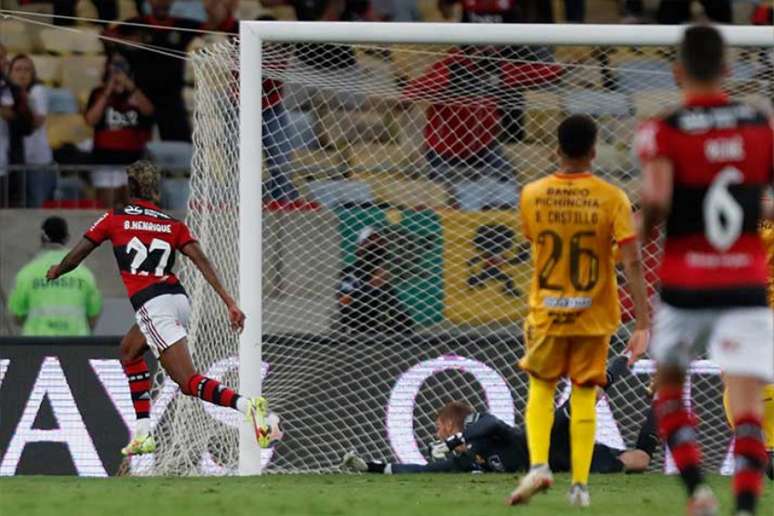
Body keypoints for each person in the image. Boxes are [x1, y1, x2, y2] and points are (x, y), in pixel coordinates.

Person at [46, 161, 280, 456]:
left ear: (129, 188)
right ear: (156, 191)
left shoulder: (114, 218)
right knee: (130, 349)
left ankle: (248, 407)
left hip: (152, 304)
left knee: (187, 381)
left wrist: (58, 270)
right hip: (177, 299)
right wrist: (228, 301)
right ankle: (143, 433)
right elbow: (201, 260)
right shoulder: (171, 224)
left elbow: (78, 254)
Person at [636, 25, 773, 516]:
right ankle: (745, 508)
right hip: (744, 283)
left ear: (677, 72)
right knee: (748, 408)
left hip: (684, 283)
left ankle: (697, 490)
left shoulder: (662, 128)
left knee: (669, 389)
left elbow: (657, 198)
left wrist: (648, 227)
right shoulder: (759, 125)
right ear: (727, 71)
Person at [507, 114, 651, 508]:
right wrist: (642, 320)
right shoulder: (613, 198)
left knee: (541, 387)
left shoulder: (532, 194)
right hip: (593, 313)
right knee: (585, 393)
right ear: (593, 151)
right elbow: (632, 262)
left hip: (547, 312)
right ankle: (580, 486)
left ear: (556, 149)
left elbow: (537, 242)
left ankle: (538, 466)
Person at [342, 357, 658, 475]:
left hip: (544, 436)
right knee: (641, 460)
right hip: (562, 461)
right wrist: (373, 466)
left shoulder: (479, 428)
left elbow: (492, 424)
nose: (437, 434)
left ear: (454, 423)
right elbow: (423, 471)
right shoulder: (466, 462)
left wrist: (458, 438)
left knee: (589, 396)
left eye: (441, 427)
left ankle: (628, 359)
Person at [402, 45, 562, 184]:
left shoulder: (497, 67)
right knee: (452, 197)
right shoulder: (450, 68)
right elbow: (416, 90)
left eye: (495, 46)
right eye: (486, 45)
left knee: (509, 181)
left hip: (483, 148)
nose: (492, 49)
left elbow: (531, 74)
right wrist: (406, 98)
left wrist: (566, 67)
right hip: (445, 152)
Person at [106, 0, 237, 141]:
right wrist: (129, 41)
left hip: (172, 98)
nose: (162, 3)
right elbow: (106, 36)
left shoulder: (183, 25)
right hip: (140, 95)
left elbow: (211, 28)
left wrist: (213, 9)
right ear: (148, 2)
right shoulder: (135, 24)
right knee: (138, 149)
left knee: (179, 146)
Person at [8, 217, 102, 336]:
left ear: (42, 237)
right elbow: (93, 315)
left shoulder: (27, 273)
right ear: (67, 237)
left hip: (36, 344)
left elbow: (16, 314)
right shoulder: (84, 274)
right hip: (76, 344)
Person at [85, 52, 154, 208]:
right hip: (105, 161)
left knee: (134, 210)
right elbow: (91, 119)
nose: (117, 70)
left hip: (133, 160)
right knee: (107, 209)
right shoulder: (98, 93)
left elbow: (148, 111)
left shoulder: (137, 93)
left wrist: (130, 87)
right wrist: (108, 91)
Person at [336, 226, 413, 334]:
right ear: (360, 247)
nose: (376, 246)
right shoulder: (350, 275)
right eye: (370, 241)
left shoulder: (381, 276)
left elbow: (403, 318)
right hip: (356, 339)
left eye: (380, 242)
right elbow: (348, 313)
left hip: (380, 340)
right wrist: (373, 286)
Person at [5, 55, 55, 207]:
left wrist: (18, 106)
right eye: (18, 69)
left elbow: (36, 122)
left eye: (27, 69)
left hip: (37, 163)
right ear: (10, 73)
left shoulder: (37, 91)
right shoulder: (8, 94)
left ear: (33, 74)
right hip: (15, 161)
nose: (22, 74)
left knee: (35, 208)